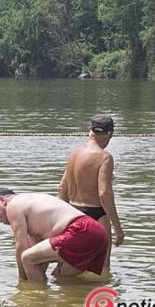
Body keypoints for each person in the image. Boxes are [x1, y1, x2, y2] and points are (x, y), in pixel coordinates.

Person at [0, 189, 108, 282]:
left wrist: (22, 282)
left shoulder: (13, 205)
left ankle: (38, 300)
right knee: (60, 277)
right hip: (97, 232)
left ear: (3, 200)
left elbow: (21, 247)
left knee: (27, 258)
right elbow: (39, 258)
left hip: (80, 229)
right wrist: (35, 274)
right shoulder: (32, 208)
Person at [58, 114, 124, 273]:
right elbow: (104, 193)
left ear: (90, 131)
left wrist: (60, 218)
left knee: (67, 264)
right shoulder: (104, 157)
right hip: (96, 215)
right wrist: (118, 227)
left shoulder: (74, 154)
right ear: (110, 134)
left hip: (73, 213)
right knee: (102, 268)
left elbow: (62, 188)